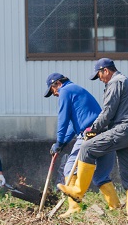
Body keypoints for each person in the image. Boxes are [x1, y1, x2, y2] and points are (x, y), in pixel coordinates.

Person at [58, 59, 128, 219]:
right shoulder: (127, 82)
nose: (99, 79)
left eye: (99, 75)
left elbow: (107, 111)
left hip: (123, 129)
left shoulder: (115, 83)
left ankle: (77, 192)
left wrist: (93, 129)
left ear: (105, 70)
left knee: (87, 148)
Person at [45, 72, 119, 216]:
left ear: (57, 84)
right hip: (105, 132)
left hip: (89, 133)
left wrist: (59, 141)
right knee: (101, 176)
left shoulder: (65, 91)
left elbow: (63, 119)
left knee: (69, 169)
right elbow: (75, 125)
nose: (54, 94)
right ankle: (116, 208)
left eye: (52, 90)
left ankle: (74, 208)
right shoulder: (77, 91)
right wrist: (63, 143)